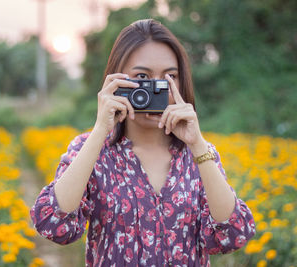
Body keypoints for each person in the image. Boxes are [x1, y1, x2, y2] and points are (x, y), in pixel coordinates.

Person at [31, 19, 255, 266]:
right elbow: (53, 223)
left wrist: (198, 145)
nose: (156, 88)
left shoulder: (199, 154)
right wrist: (100, 131)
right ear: (116, 80)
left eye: (169, 77)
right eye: (142, 76)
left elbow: (232, 235)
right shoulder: (91, 150)